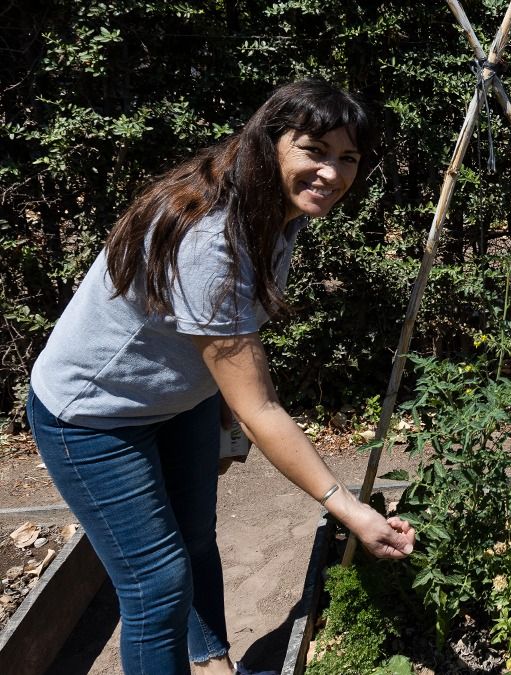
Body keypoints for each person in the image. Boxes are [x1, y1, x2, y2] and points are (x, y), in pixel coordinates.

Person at [25, 80, 416, 675]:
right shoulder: (213, 238)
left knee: (196, 542)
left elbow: (211, 345)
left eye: (348, 158)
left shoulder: (273, 209)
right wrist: (349, 509)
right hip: (94, 415)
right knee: (155, 587)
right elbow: (262, 407)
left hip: (173, 401)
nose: (332, 174)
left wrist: (219, 408)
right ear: (269, 144)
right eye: (315, 150)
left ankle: (210, 664)